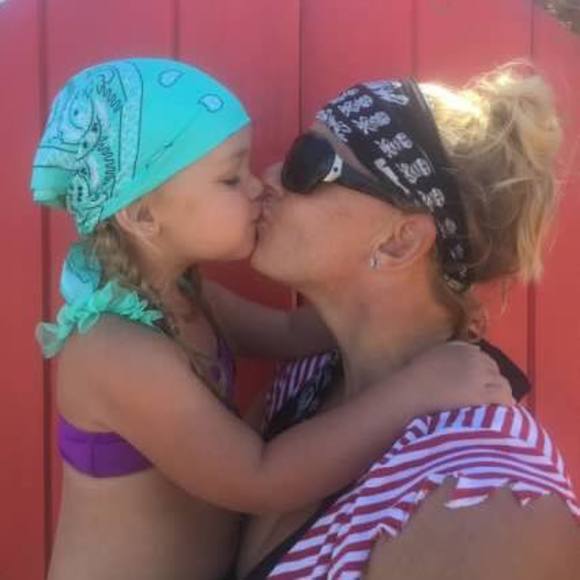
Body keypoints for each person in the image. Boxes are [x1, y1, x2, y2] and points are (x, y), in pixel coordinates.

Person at [32, 58, 508, 580]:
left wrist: (432, 306)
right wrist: (417, 391)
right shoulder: (115, 351)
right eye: (229, 179)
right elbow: (260, 478)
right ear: (144, 215)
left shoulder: (189, 297)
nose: (258, 185)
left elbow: (288, 332)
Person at [237, 65, 580, 579]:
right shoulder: (306, 381)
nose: (267, 178)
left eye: (307, 164)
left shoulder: (485, 503)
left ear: (400, 242)